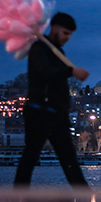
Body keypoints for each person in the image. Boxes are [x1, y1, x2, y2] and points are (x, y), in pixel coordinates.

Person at [14, 12, 90, 188]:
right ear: (54, 29)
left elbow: (59, 84)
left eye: (70, 35)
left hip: (57, 114)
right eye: (65, 33)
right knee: (30, 157)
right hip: (39, 112)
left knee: (69, 159)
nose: (67, 38)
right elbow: (45, 74)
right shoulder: (38, 49)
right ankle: (19, 198)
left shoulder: (59, 52)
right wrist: (71, 71)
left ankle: (86, 198)